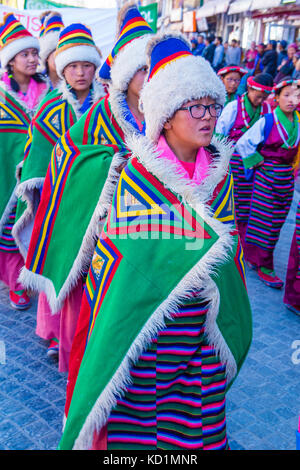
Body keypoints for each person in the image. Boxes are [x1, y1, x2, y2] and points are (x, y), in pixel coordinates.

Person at [58, 31, 252, 451]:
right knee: (143, 430)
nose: (208, 117)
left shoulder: (223, 176)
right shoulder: (136, 178)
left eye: (213, 106)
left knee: (197, 423)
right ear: (165, 114)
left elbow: (230, 254)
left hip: (199, 330)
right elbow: (119, 261)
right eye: (196, 106)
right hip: (148, 330)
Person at [19, 2, 153, 372]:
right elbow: (63, 158)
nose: (80, 72)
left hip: (136, 222)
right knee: (72, 274)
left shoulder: (159, 116)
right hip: (77, 208)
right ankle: (64, 339)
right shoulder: (67, 110)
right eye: (73, 65)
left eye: (87, 65)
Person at [0, 13, 48, 310]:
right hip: (9, 177)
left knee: (37, 226)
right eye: (25, 54)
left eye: (34, 53)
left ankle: (34, 278)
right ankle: (15, 283)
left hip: (41, 174)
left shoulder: (49, 92)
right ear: (10, 60)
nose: (32, 59)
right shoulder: (2, 96)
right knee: (9, 229)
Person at [236, 78, 300, 288]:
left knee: (278, 222)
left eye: (297, 96)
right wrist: (258, 162)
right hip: (266, 176)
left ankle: (256, 257)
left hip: (286, 178)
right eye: (287, 95)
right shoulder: (268, 120)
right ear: (277, 97)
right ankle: (264, 264)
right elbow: (244, 143)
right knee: (264, 222)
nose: (292, 100)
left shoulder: (298, 122)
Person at [215, 73, 273, 247]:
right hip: (232, 162)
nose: (260, 100)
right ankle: (226, 236)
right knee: (231, 199)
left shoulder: (266, 110)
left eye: (264, 97)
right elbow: (220, 134)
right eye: (258, 95)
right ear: (249, 89)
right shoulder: (233, 108)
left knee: (247, 204)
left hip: (254, 164)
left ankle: (242, 238)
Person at [38, 11, 64, 90]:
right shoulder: (36, 82)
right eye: (56, 52)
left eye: (63, 52)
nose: (60, 57)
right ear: (46, 57)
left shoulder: (75, 82)